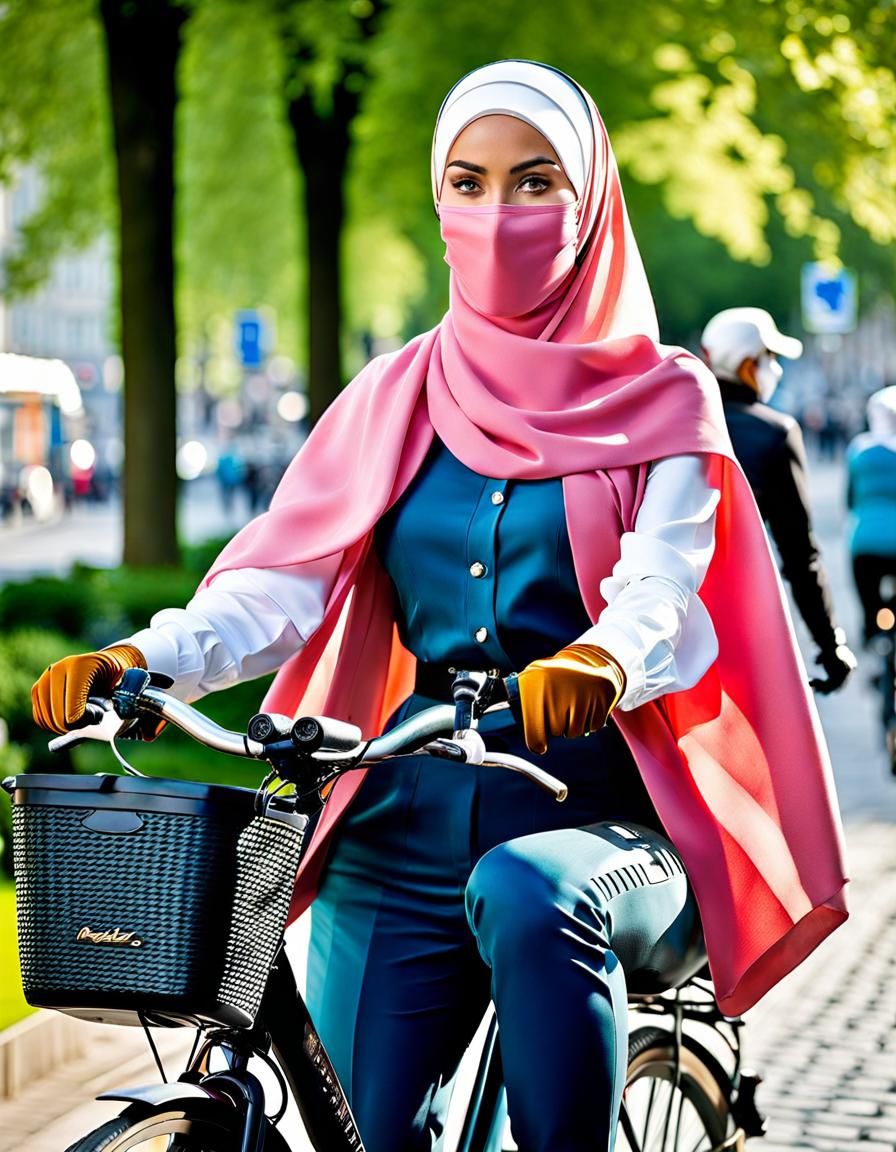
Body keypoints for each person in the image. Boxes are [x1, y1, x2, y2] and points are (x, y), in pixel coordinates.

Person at [33, 61, 847, 1152]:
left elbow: (663, 585)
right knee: (358, 1129)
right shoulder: (394, 391)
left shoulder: (664, 396)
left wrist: (603, 661)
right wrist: (146, 657)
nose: (497, 213)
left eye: (534, 182)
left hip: (592, 815)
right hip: (402, 817)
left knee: (532, 891)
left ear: (590, 204)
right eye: (468, 183)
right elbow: (283, 581)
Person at [701, 307, 857, 694]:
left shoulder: (671, 421)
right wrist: (830, 645)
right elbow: (800, 555)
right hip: (738, 620)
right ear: (747, 365)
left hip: (663, 619)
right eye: (770, 358)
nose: (776, 369)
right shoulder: (774, 432)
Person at [846, 384, 896, 644]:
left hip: (865, 542)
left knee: (870, 605)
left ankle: (874, 633)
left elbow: (850, 499)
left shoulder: (859, 449)